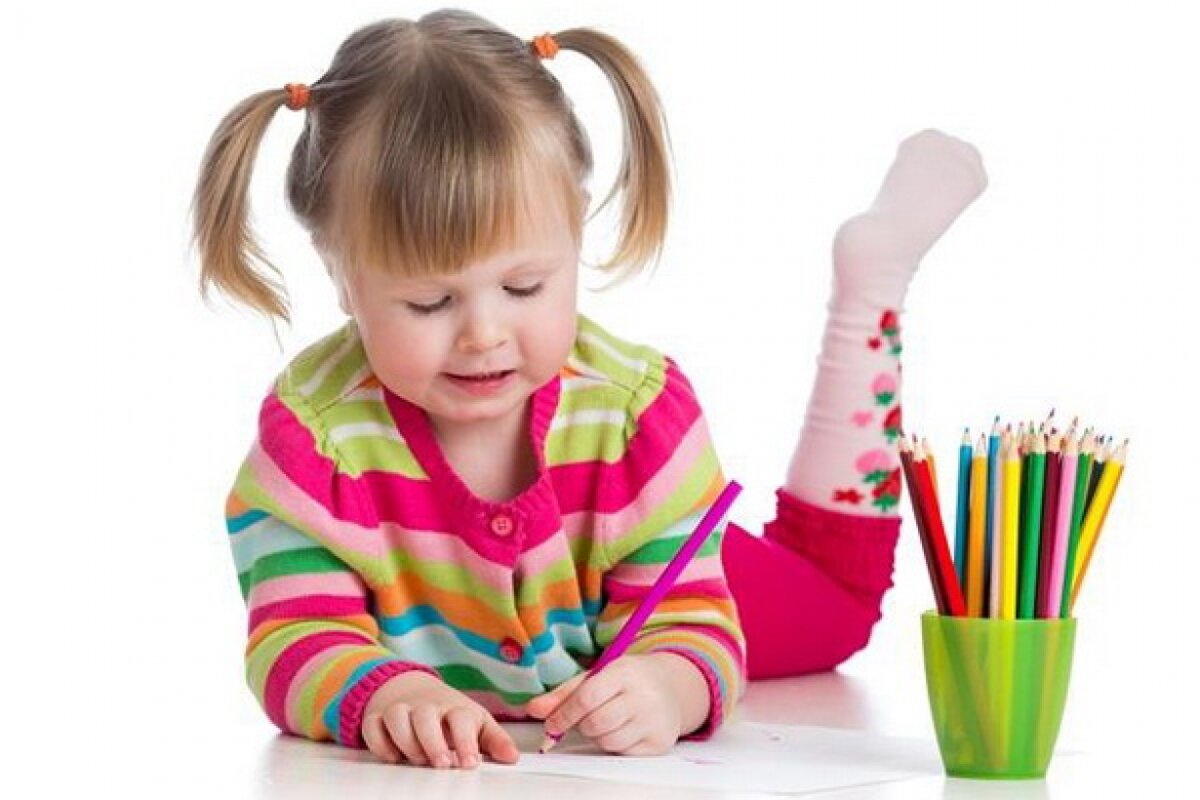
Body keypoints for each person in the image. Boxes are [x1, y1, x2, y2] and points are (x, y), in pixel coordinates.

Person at [192, 8, 986, 770]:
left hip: (628, 545)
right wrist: (385, 693)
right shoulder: (313, 441)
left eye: (526, 286)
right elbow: (292, 637)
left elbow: (696, 627)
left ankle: (872, 289)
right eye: (430, 303)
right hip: (568, 580)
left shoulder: (634, 419)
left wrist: (668, 685)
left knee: (833, 605)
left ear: (576, 232)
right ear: (339, 274)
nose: (483, 334)